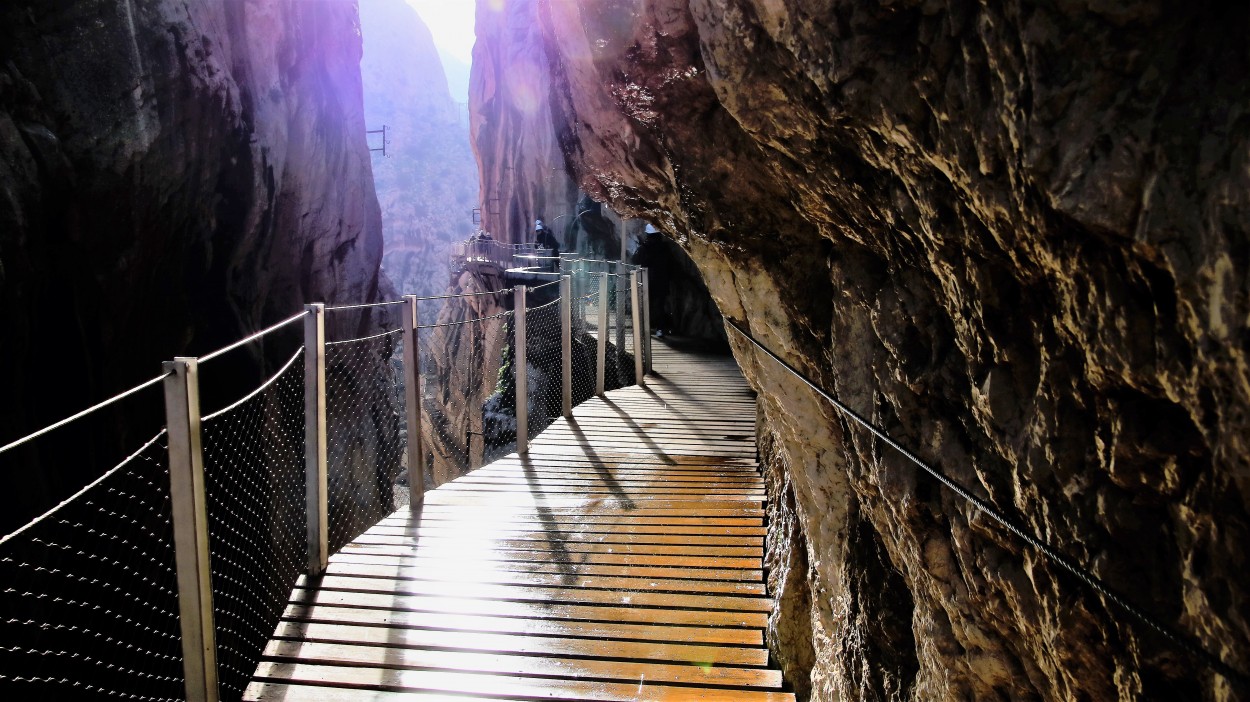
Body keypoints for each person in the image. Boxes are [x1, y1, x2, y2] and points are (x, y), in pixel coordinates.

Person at [632, 223, 671, 338]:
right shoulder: (665, 247)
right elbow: (670, 263)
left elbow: (635, 260)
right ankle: (660, 329)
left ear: (648, 234)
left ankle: (645, 329)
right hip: (661, 280)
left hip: (647, 279)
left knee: (646, 304)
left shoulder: (645, 247)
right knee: (660, 305)